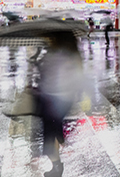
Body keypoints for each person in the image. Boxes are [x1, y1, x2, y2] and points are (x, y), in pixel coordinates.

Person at [38, 32, 89, 177]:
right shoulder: (73, 53)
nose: (48, 38)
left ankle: (57, 167)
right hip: (64, 99)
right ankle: (59, 140)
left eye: (51, 37)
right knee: (53, 130)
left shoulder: (55, 54)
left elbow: (47, 75)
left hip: (52, 98)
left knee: (49, 135)